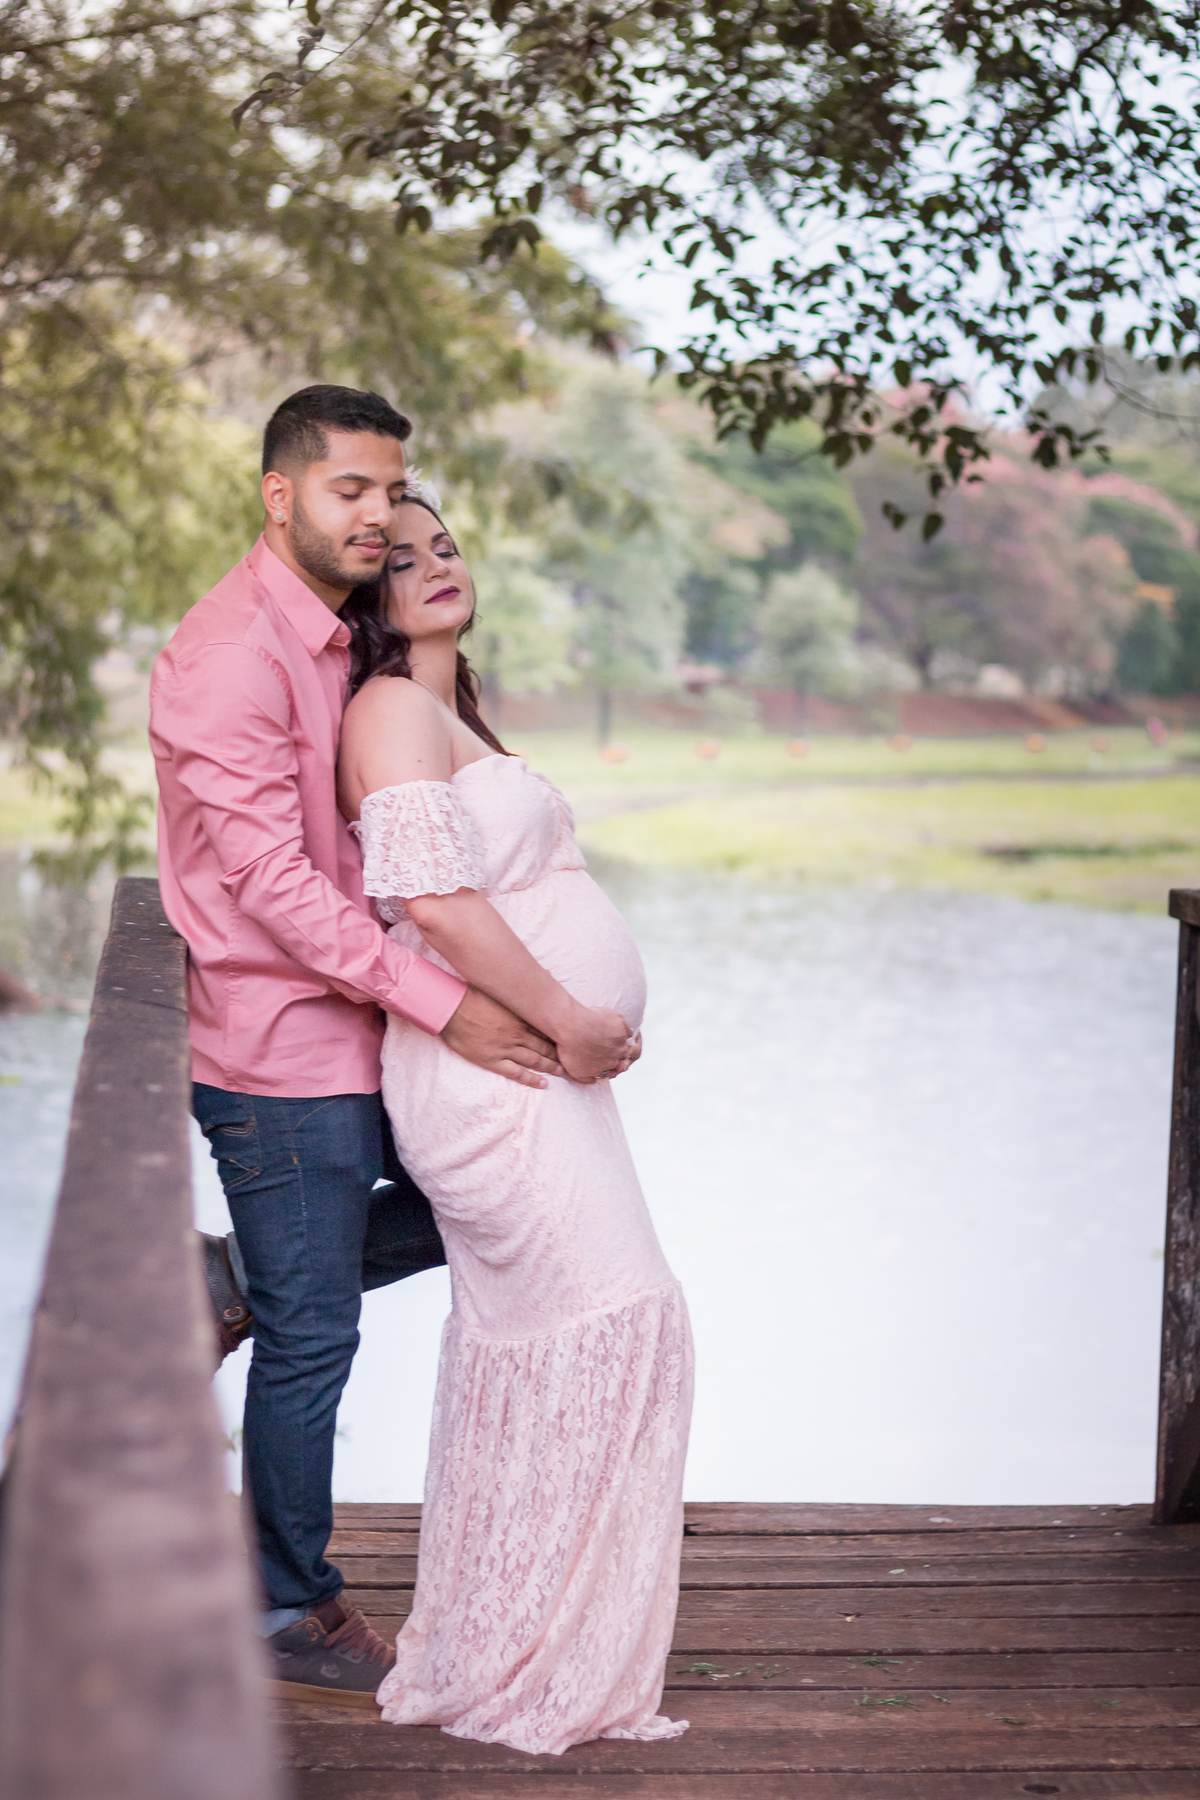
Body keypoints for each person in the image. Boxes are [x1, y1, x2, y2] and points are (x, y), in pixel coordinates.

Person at [149, 384, 638, 1707]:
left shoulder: (331, 646)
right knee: (316, 1337)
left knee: (457, 1214)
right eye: (348, 491)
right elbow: (273, 887)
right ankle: (288, 1605)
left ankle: (231, 1279)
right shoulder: (228, 657)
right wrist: (448, 1003)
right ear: (282, 494)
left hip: (361, 1033)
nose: (375, 514)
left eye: (391, 489)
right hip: (278, 1048)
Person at [336, 489, 693, 1755]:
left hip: (533, 1077)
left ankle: (519, 1639)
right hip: (495, 1079)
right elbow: (428, 900)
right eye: (400, 555)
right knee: (609, 1325)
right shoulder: (385, 711)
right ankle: (535, 1655)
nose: (434, 565)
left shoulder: (446, 712)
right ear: (359, 591)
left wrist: (580, 1022)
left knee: (570, 1340)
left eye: (445, 545)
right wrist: (573, 1020)